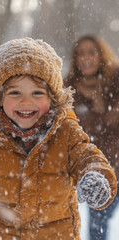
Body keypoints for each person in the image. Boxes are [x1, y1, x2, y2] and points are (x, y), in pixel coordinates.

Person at [0, 37, 117, 240]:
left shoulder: (65, 131)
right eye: (15, 92)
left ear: (52, 98)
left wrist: (95, 176)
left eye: (37, 92)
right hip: (3, 234)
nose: (26, 101)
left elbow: (87, 156)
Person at [64, 35, 119, 240]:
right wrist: (105, 117)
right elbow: (73, 127)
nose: (86, 57)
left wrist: (94, 118)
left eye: (92, 52)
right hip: (95, 167)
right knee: (98, 226)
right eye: (81, 53)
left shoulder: (116, 79)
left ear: (101, 55)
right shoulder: (69, 88)